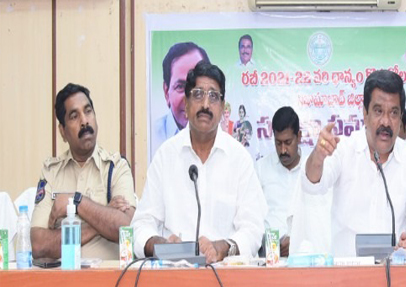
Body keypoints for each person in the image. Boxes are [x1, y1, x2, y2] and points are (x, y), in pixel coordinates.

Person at [132, 61, 267, 263]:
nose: (205, 105)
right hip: (174, 273)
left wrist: (224, 247)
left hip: (226, 275)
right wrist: (160, 244)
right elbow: (141, 225)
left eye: (213, 96)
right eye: (197, 95)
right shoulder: (166, 156)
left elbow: (254, 228)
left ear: (222, 108)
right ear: (186, 104)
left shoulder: (239, 159)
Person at [302, 69, 406, 257]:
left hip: (394, 271)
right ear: (365, 113)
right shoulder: (344, 149)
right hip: (346, 271)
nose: (386, 122)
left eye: (393, 113)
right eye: (378, 111)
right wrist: (318, 156)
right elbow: (312, 185)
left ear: (401, 116)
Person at [31, 83, 136, 260]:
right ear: (62, 131)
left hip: (109, 276)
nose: (84, 121)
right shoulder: (51, 173)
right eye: (74, 116)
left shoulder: (116, 167)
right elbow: (39, 245)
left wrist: (76, 201)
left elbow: (126, 229)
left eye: (88, 111)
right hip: (62, 276)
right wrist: (101, 221)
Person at [255, 106, 307, 257]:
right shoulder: (261, 169)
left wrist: (297, 241)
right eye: (278, 143)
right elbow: (251, 220)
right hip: (269, 259)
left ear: (299, 136)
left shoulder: (311, 170)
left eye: (288, 142)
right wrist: (273, 246)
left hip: (306, 258)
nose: (283, 150)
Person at [151, 42, 210, 158]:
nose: (190, 99)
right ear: (166, 92)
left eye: (198, 87)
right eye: (180, 87)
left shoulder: (223, 140)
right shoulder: (152, 136)